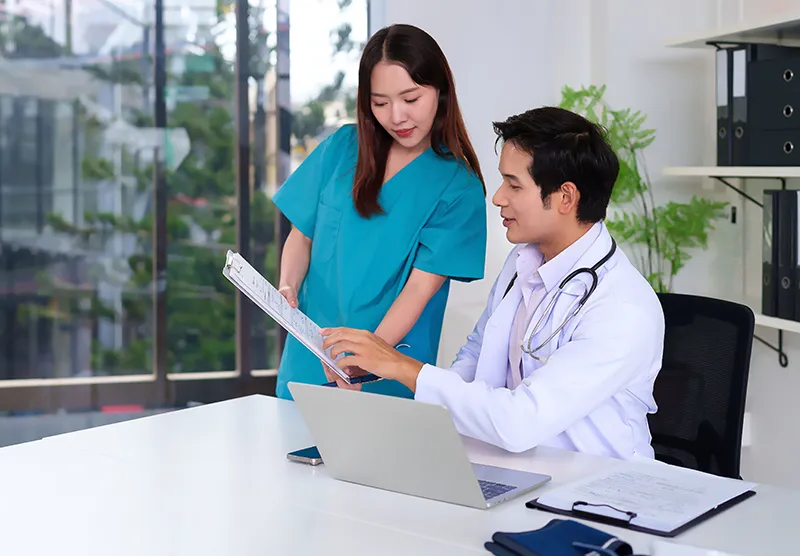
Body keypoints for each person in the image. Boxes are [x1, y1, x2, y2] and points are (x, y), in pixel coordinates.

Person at [318, 106, 664, 460]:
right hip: (519, 471)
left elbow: (521, 421)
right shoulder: (524, 262)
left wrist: (402, 366)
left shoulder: (621, 308)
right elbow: (476, 357)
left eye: (514, 185)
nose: (498, 197)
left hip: (597, 496)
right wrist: (411, 403)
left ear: (565, 198)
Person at [272, 24, 488, 400]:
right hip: (309, 358)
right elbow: (301, 235)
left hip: (385, 370)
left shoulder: (458, 188)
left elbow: (421, 288)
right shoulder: (340, 148)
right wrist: (287, 286)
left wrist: (363, 357)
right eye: (380, 102)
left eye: (411, 98)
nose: (397, 116)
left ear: (440, 91)